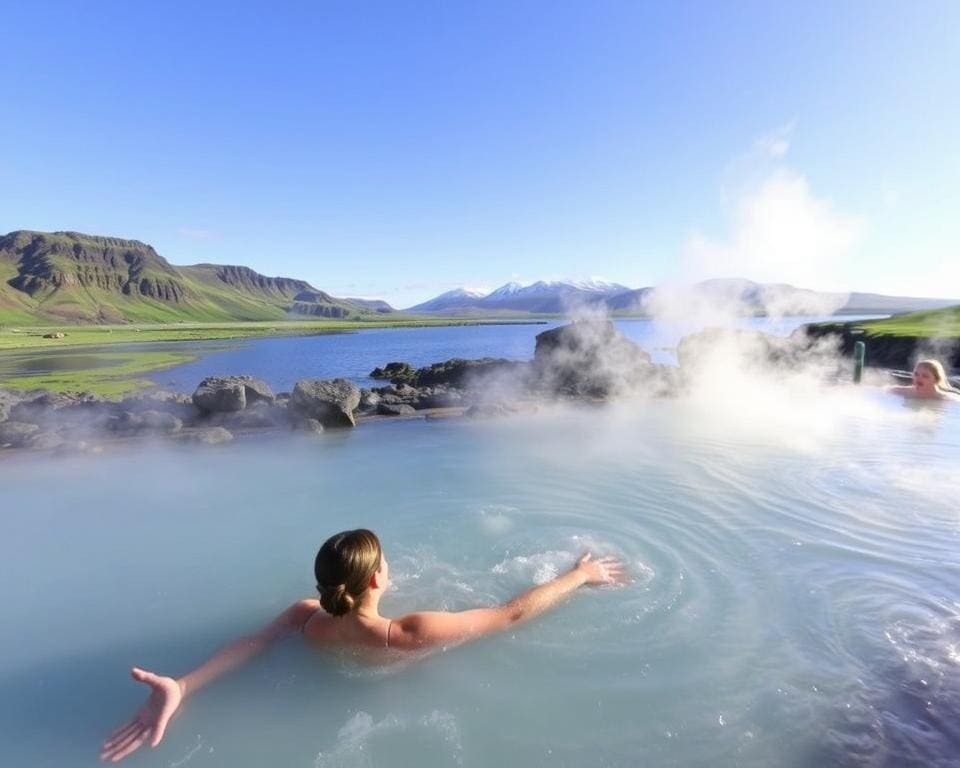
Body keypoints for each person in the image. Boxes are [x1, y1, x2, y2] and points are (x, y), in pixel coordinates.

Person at [100, 529, 626, 763]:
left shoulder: (306, 619)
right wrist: (579, 576)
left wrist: (183, 685)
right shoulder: (409, 633)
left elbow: (251, 644)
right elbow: (511, 614)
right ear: (376, 580)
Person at [887, 359, 960, 402]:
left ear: (936, 380)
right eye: (916, 374)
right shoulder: (899, 391)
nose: (918, 378)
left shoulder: (948, 399)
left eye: (925, 376)